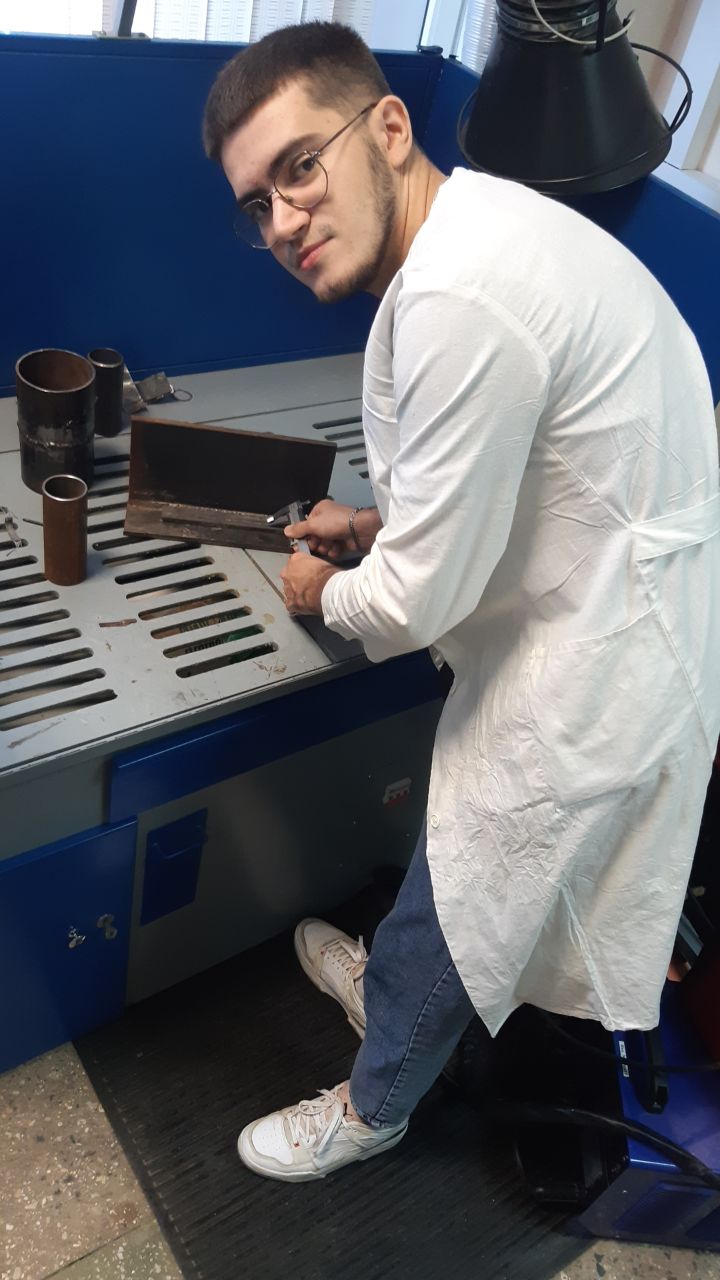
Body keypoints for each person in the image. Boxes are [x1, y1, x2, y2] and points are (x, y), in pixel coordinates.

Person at [203, 21, 720, 1183]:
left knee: (469, 883)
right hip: (596, 600)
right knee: (460, 868)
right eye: (257, 202)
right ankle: (391, 989)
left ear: (390, 126)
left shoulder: (458, 297)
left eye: (299, 166)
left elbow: (407, 609)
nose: (281, 220)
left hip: (599, 662)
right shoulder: (477, 227)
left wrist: (329, 582)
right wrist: (375, 525)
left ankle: (374, 1102)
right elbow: (515, 475)